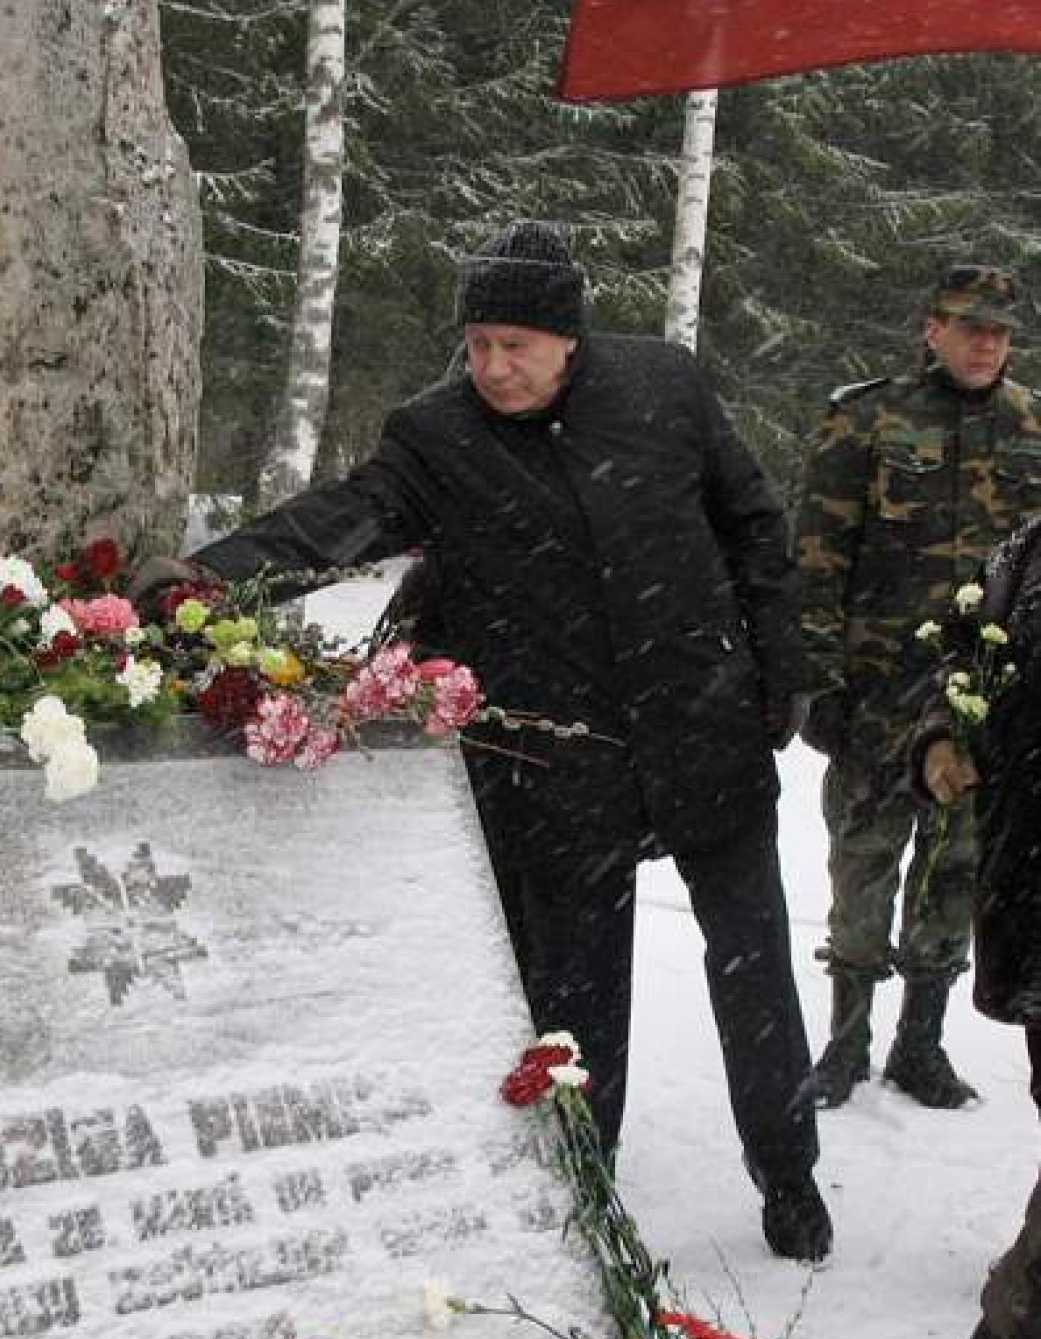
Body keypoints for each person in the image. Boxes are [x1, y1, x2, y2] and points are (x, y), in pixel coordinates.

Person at [144, 219, 830, 1260]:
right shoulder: (436, 435)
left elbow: (749, 524)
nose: (492, 367)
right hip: (559, 760)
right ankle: (578, 1186)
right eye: (475, 345)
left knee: (751, 967)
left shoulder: (662, 390)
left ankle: (785, 1171)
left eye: (513, 344)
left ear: (567, 339)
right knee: (572, 995)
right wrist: (205, 579)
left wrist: (778, 668)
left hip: (702, 730)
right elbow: (345, 515)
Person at [795, 262, 1041, 1111]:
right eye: (968, 326)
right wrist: (819, 680)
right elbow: (818, 560)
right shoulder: (865, 419)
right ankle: (845, 1040)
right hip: (878, 695)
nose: (984, 344)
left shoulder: (1032, 428)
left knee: (955, 874)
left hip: (983, 704)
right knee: (861, 865)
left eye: (1000, 332)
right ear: (929, 327)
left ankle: (920, 1045)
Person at [915, 512, 1041, 1339]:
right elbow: (963, 662)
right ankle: (1015, 1321)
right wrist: (938, 740)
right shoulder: (1025, 551)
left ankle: (1015, 1322)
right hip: (1032, 872)